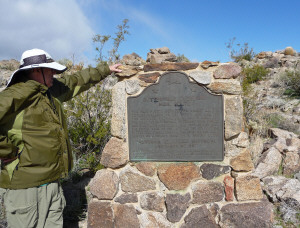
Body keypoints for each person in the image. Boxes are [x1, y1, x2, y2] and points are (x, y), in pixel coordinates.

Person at [0, 48, 121, 228]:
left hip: (52, 182)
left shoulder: (50, 91)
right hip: (25, 186)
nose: (54, 74)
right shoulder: (16, 94)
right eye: (50, 70)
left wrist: (106, 70)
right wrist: (7, 150)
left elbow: (75, 81)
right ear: (35, 70)